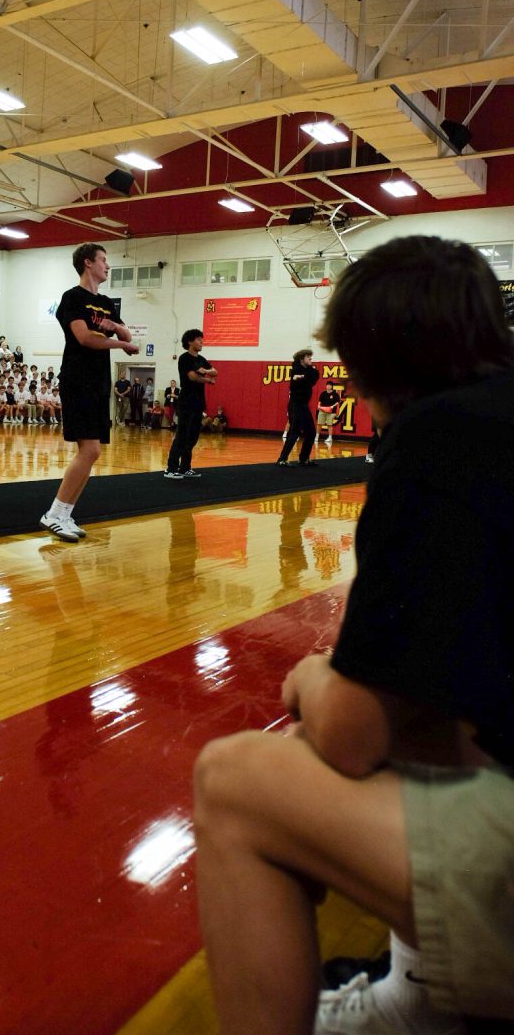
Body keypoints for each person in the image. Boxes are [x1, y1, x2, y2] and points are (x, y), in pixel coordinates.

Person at [194, 235, 514, 1035]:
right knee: (434, 719)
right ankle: (428, 998)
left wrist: (312, 675)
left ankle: (416, 1003)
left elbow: (347, 735)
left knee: (233, 780)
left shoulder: (439, 437)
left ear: (367, 362)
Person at [40, 243, 138, 542]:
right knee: (90, 450)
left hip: (98, 381)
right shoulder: (72, 298)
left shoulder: (107, 302)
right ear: (88, 263)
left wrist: (115, 328)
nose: (107, 266)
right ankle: (54, 514)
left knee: (92, 452)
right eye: (103, 260)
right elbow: (84, 338)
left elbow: (127, 333)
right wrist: (119, 342)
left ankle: (64, 514)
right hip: (78, 378)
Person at [164, 330, 217, 479]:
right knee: (182, 435)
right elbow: (192, 377)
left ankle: (185, 467)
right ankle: (170, 468)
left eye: (202, 340)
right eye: (199, 340)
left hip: (198, 402)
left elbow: (215, 372)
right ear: (190, 342)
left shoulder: (202, 359)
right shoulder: (184, 358)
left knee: (193, 436)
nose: (202, 342)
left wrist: (204, 370)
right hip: (186, 401)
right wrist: (207, 379)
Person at [277, 348, 320, 467]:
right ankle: (282, 459)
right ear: (302, 359)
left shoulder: (309, 370)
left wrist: (304, 376)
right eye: (308, 357)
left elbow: (315, 376)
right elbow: (298, 378)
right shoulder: (295, 369)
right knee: (294, 431)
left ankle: (303, 458)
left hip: (304, 406)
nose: (311, 358)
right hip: (295, 404)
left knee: (311, 432)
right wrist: (301, 377)